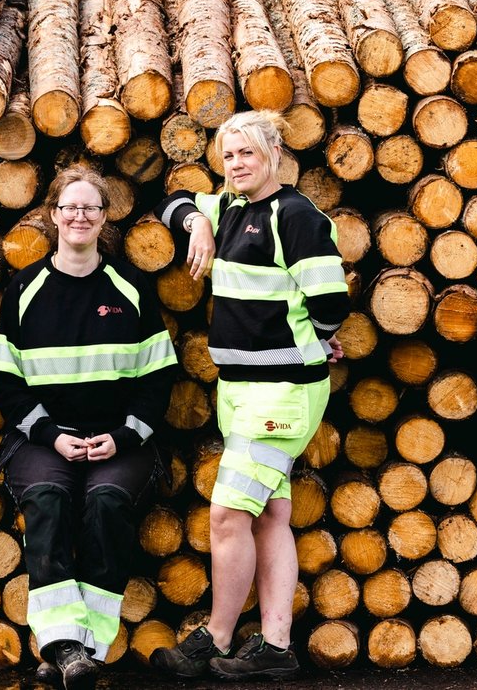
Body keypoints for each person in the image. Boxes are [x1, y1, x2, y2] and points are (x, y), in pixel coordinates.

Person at [149, 110, 349, 681]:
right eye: (228, 154)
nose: (236, 164)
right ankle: (276, 646)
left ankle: (215, 637)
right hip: (241, 389)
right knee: (270, 515)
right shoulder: (228, 207)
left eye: (248, 153)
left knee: (226, 517)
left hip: (283, 392)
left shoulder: (297, 216)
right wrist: (198, 224)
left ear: (276, 153)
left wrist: (320, 341)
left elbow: (331, 302)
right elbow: (172, 201)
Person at [0, 166, 177, 690]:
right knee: (48, 495)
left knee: (107, 501)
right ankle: (62, 642)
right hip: (43, 437)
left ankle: (86, 650)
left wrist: (123, 436)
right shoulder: (24, 289)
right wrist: (51, 435)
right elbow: (7, 382)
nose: (79, 216)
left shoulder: (130, 287)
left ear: (103, 218)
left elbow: (158, 379)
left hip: (120, 438)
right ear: (52, 216)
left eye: (90, 208)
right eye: (69, 207)